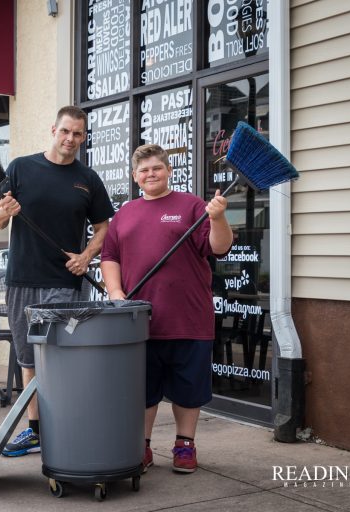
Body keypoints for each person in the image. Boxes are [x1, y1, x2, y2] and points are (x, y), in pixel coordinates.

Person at [0, 105, 115, 457]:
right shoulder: (21, 168)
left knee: (60, 357)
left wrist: (86, 256)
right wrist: (4, 211)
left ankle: (65, 427)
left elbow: (104, 227)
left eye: (77, 134)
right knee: (29, 359)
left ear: (84, 137)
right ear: (53, 130)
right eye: (65, 131)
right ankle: (36, 430)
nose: (70, 139)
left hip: (64, 280)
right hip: (22, 280)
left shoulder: (87, 179)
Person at [100, 144, 233, 473]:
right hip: (139, 321)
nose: (151, 174)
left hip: (188, 318)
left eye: (157, 168)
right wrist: (116, 292)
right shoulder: (125, 214)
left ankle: (184, 445)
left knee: (188, 390)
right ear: (135, 176)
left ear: (169, 171)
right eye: (144, 170)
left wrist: (218, 218)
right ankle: (141, 447)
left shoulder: (192, 206)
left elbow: (219, 246)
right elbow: (110, 257)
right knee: (142, 392)